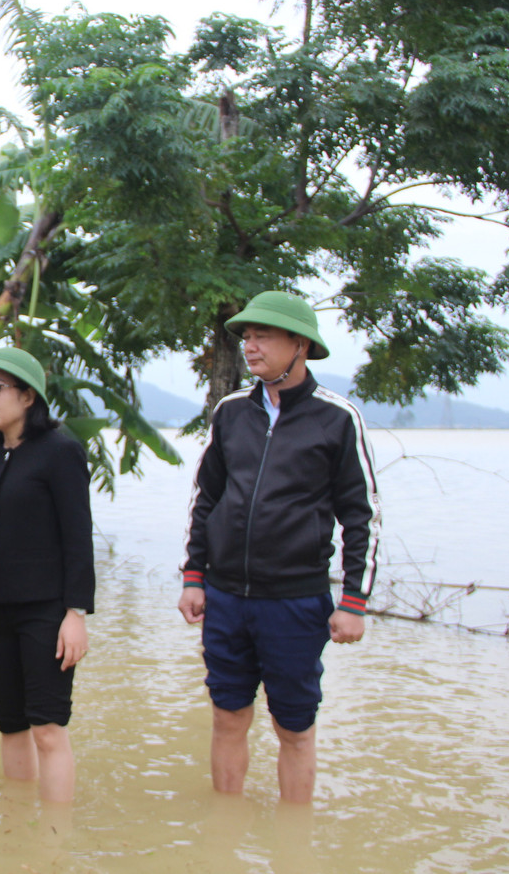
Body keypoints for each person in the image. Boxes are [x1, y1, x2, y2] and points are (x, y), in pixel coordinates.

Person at [178, 290, 382, 803]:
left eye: (263, 334)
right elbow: (206, 499)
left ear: (300, 344)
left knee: (294, 728)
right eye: (246, 335)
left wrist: (353, 603)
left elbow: (362, 518)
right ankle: (225, 830)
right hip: (225, 597)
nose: (250, 345)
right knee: (227, 717)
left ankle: (294, 840)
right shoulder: (229, 413)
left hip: (295, 601)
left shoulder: (337, 419)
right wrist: (193, 576)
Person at [0, 347, 94, 803]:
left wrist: (76, 612)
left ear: (28, 395)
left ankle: (55, 840)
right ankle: (15, 835)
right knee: (9, 724)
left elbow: (78, 537)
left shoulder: (60, 451)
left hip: (45, 613)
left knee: (48, 728)